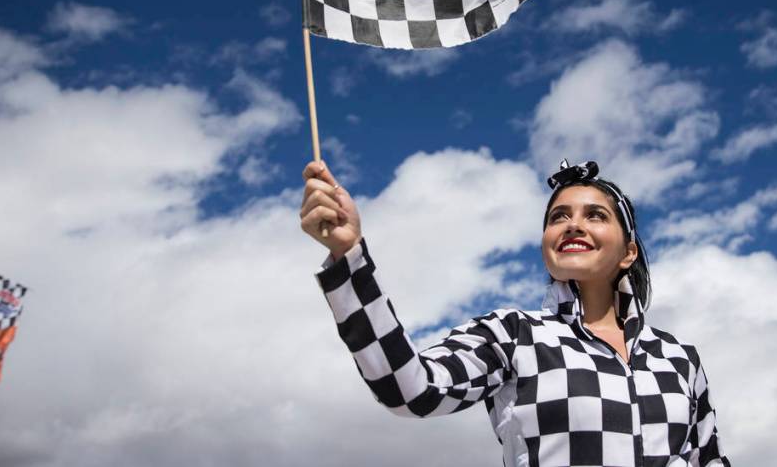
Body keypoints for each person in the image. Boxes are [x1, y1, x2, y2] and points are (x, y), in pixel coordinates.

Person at [300, 158, 730, 467]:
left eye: (595, 215)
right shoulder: (512, 335)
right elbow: (411, 390)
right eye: (559, 216)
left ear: (628, 252)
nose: (573, 225)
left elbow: (709, 460)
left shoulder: (679, 357)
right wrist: (348, 254)